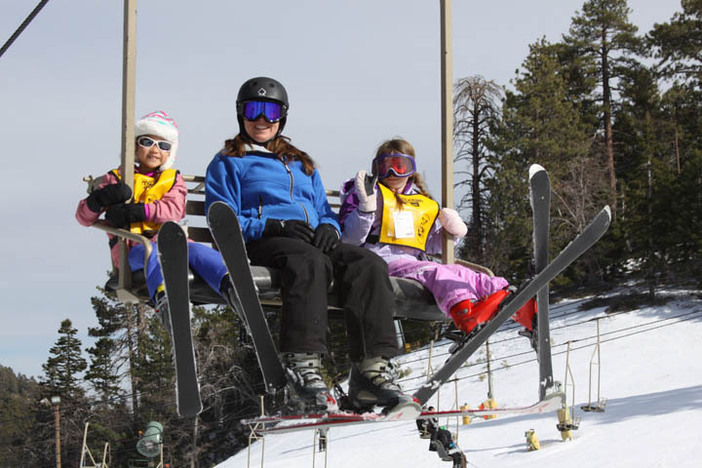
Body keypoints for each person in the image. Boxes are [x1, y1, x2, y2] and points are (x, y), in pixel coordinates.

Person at [204, 77, 411, 413]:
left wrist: (329, 227)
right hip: (262, 242)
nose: (261, 120)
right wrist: (272, 224)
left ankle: (370, 373)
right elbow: (221, 220)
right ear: (241, 114)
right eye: (253, 110)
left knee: (368, 264)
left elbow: (321, 211)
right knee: (308, 263)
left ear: (281, 118)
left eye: (269, 112)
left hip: (308, 241)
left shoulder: (301, 163)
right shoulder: (228, 162)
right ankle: (303, 368)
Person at [338, 138, 536, 338]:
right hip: (380, 261)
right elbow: (349, 239)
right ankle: (464, 315)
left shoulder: (418, 201)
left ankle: (514, 302)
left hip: (412, 263)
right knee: (436, 272)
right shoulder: (367, 193)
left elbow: (427, 243)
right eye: (385, 167)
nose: (392, 173)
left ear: (411, 169)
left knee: (461, 273)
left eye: (399, 166)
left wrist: (449, 230)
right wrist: (365, 210)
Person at [76, 110, 230, 317]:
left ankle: (231, 283)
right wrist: (100, 199)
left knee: (199, 253)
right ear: (135, 146)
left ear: (170, 152)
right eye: (147, 142)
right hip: (134, 249)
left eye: (164, 145)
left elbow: (174, 210)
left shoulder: (172, 179)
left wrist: (141, 211)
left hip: (171, 241)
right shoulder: (116, 178)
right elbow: (84, 217)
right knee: (157, 253)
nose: (155, 150)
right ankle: (165, 298)